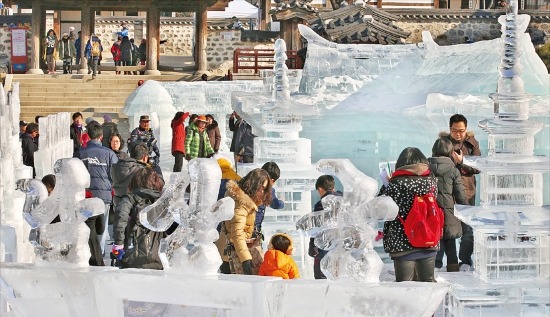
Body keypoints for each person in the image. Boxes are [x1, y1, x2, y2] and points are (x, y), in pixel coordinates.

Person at [379, 147, 438, 282]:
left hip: (402, 243)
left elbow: (381, 206)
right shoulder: (432, 182)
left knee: (405, 286)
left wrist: (387, 185)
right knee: (428, 283)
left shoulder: (396, 184)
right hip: (428, 239)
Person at [440, 114, 481, 271]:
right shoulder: (443, 143)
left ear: (466, 129)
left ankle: (465, 261)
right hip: (447, 192)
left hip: (467, 191)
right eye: (455, 130)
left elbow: (477, 168)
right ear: (450, 129)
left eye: (461, 131)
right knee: (446, 227)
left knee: (467, 229)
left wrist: (462, 162)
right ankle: (444, 262)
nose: (458, 134)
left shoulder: (472, 144)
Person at [216, 168, 273, 275]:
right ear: (254, 184)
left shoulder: (245, 199)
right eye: (262, 188)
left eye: (265, 189)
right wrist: (246, 259)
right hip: (232, 255)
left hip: (231, 251)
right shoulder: (241, 202)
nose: (262, 192)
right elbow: (237, 234)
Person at [112, 167, 166, 269]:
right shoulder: (161, 202)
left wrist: (118, 243)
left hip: (131, 258)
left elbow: (120, 217)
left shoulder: (129, 198)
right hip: (157, 259)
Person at [79, 122, 119, 259]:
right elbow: (116, 175)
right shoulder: (109, 154)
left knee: (86, 226)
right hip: (104, 196)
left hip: (86, 196)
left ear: (88, 135)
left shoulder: (80, 153)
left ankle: (88, 254)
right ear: (101, 136)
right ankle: (99, 254)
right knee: (102, 228)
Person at [429, 138, 468, 272]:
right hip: (449, 212)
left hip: (430, 211)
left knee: (434, 239)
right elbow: (460, 195)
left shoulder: (426, 169)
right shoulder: (453, 170)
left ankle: (434, 267)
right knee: (450, 241)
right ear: (450, 152)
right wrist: (466, 209)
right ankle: (453, 268)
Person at [308, 175, 343, 279]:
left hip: (324, 248)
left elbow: (316, 227)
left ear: (320, 189)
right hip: (341, 246)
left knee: (322, 280)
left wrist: (312, 247)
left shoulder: (321, 204)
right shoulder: (343, 200)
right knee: (337, 278)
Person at [255, 162, 285, 238]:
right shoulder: (268, 190)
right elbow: (275, 204)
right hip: (253, 227)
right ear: (272, 180)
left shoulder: (250, 181)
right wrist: (282, 203)